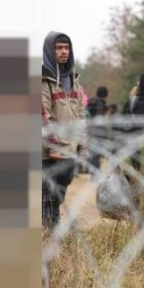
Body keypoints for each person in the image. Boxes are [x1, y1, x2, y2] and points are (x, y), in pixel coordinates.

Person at [41, 31, 86, 230]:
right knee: (47, 196)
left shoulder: (73, 80)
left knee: (58, 193)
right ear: (51, 51)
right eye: (59, 48)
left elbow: (81, 114)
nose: (63, 51)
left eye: (66, 47)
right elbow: (43, 115)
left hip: (69, 149)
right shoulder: (43, 80)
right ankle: (48, 236)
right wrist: (52, 146)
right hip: (48, 152)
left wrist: (83, 144)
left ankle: (50, 230)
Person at [86, 86, 109, 175]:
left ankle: (93, 169)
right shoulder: (100, 104)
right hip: (98, 132)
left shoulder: (91, 102)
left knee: (93, 150)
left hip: (90, 129)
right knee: (97, 152)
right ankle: (95, 171)